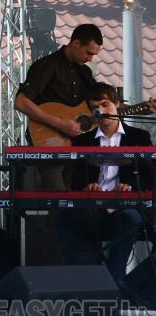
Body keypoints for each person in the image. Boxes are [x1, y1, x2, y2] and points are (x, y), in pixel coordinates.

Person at [14, 23, 155, 190]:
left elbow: (104, 104)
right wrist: (60, 123)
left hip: (77, 148)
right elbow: (21, 102)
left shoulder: (85, 73)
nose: (91, 59)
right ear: (76, 43)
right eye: (88, 53)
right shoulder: (47, 65)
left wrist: (140, 109)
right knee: (59, 199)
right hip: (49, 143)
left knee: (77, 196)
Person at [55, 82, 153, 284]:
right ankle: (81, 281)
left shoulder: (139, 137)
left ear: (117, 104)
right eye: (95, 107)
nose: (100, 111)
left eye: (105, 104)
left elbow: (148, 176)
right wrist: (87, 186)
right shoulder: (82, 140)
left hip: (124, 207)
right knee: (63, 219)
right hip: (94, 209)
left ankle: (113, 283)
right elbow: (75, 179)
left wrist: (129, 187)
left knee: (130, 218)